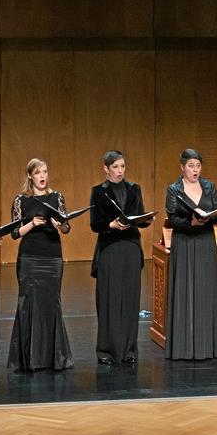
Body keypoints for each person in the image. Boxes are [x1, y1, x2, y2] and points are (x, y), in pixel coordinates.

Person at [8, 158, 73, 372]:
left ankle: (55, 358)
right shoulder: (21, 200)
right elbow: (15, 233)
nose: (42, 176)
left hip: (52, 257)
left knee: (51, 304)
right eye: (38, 173)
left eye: (45, 171)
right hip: (29, 257)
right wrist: (32, 223)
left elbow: (66, 228)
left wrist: (59, 225)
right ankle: (28, 359)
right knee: (29, 304)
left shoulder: (57, 197)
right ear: (30, 176)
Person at [164, 148, 217, 360]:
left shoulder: (209, 187)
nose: (195, 170)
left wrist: (210, 217)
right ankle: (182, 348)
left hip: (206, 242)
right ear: (182, 168)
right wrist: (191, 222)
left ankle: (206, 347)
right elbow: (172, 219)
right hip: (184, 242)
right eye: (191, 166)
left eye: (198, 166)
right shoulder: (174, 189)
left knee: (204, 290)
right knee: (184, 290)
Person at [90, 150, 146, 365]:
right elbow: (95, 224)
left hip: (131, 246)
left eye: (122, 166)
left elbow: (139, 215)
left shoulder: (134, 189)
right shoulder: (98, 192)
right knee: (109, 299)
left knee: (131, 300)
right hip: (110, 247)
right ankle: (107, 350)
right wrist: (111, 225)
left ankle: (130, 350)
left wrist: (142, 220)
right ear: (106, 168)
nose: (120, 171)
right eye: (115, 167)